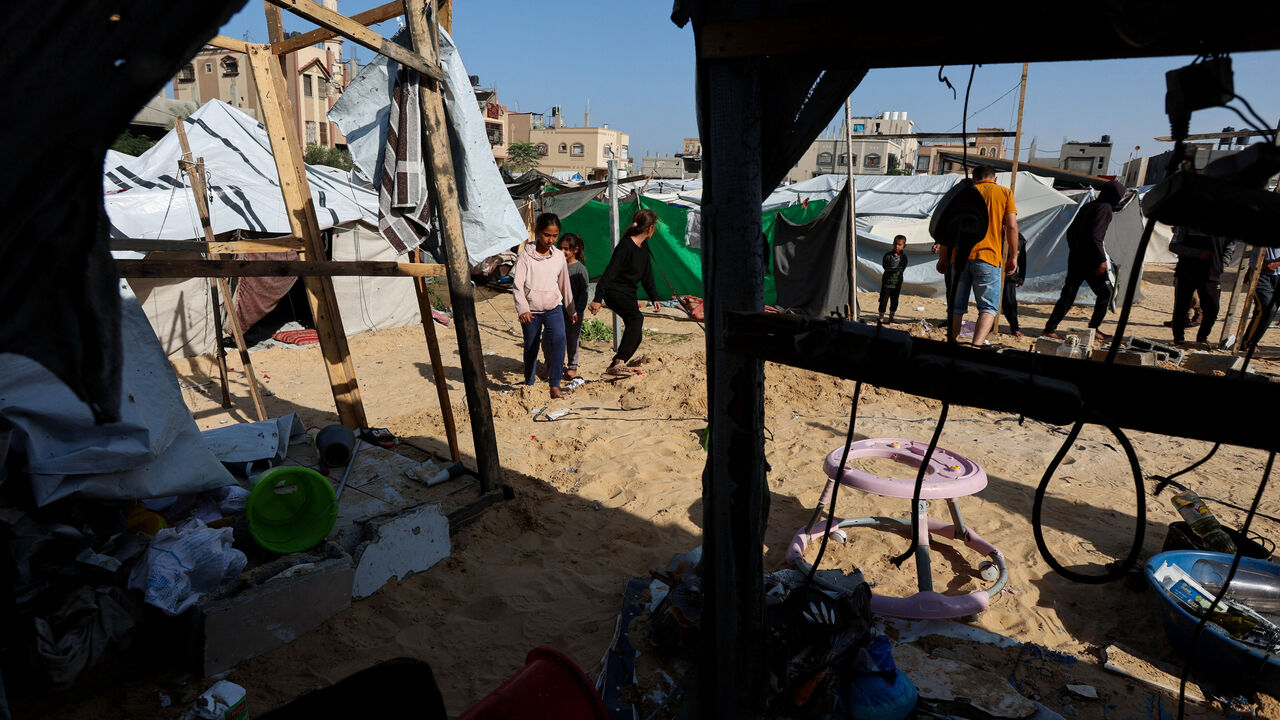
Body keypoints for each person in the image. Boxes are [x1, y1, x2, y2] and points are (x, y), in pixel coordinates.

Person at [938, 165, 1018, 346]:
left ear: (974, 179)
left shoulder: (962, 194)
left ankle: (952, 344)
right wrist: (1013, 256)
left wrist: (943, 257)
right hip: (988, 257)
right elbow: (1012, 226)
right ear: (995, 179)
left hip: (959, 258)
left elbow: (947, 227)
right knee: (988, 308)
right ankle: (976, 346)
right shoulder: (1004, 193)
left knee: (956, 307)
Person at [1040, 180, 1126, 341]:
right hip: (1091, 260)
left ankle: (1049, 329)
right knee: (1105, 293)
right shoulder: (1105, 208)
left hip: (1076, 258)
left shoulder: (1089, 206)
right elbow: (1096, 236)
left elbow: (1071, 232)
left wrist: (1076, 251)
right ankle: (1094, 329)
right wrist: (1100, 259)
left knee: (1068, 294)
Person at [589, 209, 664, 376]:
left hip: (628, 294)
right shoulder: (625, 245)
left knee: (636, 335)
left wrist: (654, 297)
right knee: (636, 318)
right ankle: (619, 362)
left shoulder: (644, 248)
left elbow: (647, 275)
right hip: (614, 292)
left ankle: (612, 368)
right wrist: (597, 298)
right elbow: (610, 272)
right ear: (650, 228)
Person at [513, 212, 576, 398]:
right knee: (531, 346)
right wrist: (523, 309)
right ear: (538, 232)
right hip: (530, 311)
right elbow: (517, 285)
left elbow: (564, 284)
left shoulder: (558, 257)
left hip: (553, 308)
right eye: (547, 235)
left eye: (555, 235)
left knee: (559, 340)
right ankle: (529, 382)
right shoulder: (525, 256)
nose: (550, 240)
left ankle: (555, 385)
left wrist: (570, 309)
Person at [1169, 226, 1235, 346]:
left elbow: (1229, 246)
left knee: (1212, 309)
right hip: (1187, 271)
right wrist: (1197, 254)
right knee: (1181, 306)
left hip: (1212, 273)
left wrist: (1222, 265)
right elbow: (1173, 246)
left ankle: (1202, 338)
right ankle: (1179, 338)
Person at [542, 233, 589, 380]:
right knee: (548, 339)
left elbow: (584, 293)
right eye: (560, 248)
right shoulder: (555, 266)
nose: (562, 252)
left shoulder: (580, 269)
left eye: (566, 249)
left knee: (572, 339)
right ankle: (551, 366)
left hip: (573, 313)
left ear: (574, 250)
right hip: (555, 310)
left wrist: (578, 311)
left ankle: (572, 367)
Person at [1240, 247, 1280, 353]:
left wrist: (1278, 262)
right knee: (1267, 309)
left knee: (1268, 311)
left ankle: (1250, 341)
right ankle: (1247, 343)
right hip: (1260, 272)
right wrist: (1250, 269)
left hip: (1276, 272)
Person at [1001, 233, 1028, 337]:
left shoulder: (1019, 238)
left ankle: (1014, 328)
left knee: (1010, 302)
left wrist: (1021, 278)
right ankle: (988, 326)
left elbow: (1022, 260)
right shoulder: (995, 234)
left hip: (1010, 276)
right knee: (990, 302)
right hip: (994, 273)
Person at [878, 235, 909, 324]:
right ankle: (881, 317)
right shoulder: (887, 256)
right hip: (886, 283)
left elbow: (903, 268)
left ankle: (891, 317)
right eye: (895, 244)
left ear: (904, 246)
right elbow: (884, 266)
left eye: (899, 244)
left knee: (894, 300)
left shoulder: (904, 258)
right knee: (883, 300)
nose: (897, 246)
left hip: (897, 284)